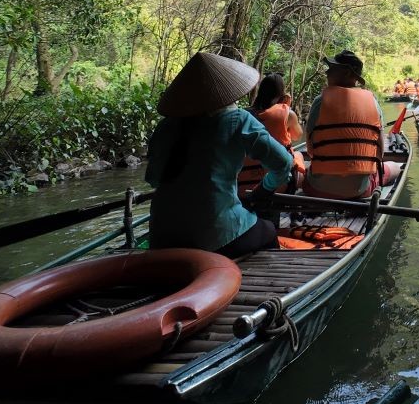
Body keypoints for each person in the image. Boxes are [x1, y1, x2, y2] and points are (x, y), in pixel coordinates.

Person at [145, 52, 293, 257]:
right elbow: (284, 163)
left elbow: (153, 179)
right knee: (267, 230)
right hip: (215, 235)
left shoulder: (166, 126)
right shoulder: (237, 119)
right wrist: (264, 189)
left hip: (161, 238)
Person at [304, 49, 401, 200]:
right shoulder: (373, 102)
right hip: (358, 190)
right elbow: (379, 153)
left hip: (317, 189)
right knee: (395, 167)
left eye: (332, 68)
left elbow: (310, 150)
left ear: (347, 74)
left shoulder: (320, 101)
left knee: (298, 170)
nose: (327, 72)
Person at [240, 72, 305, 197]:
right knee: (298, 155)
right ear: (281, 92)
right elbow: (297, 136)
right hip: (277, 187)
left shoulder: (243, 115)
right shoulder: (288, 113)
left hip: (243, 185)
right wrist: (287, 107)